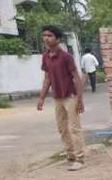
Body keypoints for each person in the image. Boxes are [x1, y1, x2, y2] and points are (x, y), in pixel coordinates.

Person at [37, 25, 86, 171]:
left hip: (70, 96)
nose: (46, 38)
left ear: (58, 39)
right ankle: (71, 156)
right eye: (44, 35)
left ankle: (80, 159)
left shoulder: (66, 57)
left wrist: (80, 100)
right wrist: (41, 98)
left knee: (75, 128)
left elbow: (76, 78)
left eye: (50, 35)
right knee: (62, 128)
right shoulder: (45, 57)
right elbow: (47, 78)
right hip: (57, 97)